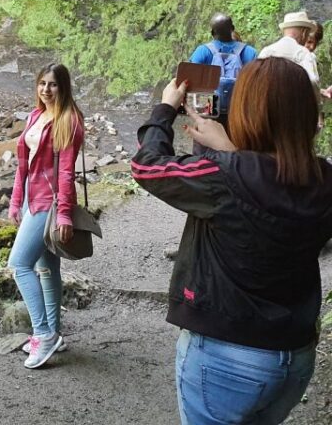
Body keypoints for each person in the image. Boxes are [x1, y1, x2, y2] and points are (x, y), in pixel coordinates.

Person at [131, 57, 332, 425]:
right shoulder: (324, 179)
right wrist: (231, 153)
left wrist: (164, 110)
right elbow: (274, 183)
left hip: (226, 358)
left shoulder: (225, 174)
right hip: (294, 357)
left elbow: (146, 166)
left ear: (248, 111)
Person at [8, 63, 84, 369]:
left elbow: (66, 172)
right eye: (42, 83)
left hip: (49, 203)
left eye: (52, 85)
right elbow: (22, 166)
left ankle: (42, 333)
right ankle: (54, 333)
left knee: (18, 264)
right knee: (47, 267)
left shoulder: (69, 121)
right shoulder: (36, 116)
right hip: (30, 198)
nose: (46, 90)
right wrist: (16, 202)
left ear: (63, 88)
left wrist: (64, 214)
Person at [188, 13, 257, 133]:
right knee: (235, 143)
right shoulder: (250, 52)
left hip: (208, 106)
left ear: (212, 32)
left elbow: (190, 79)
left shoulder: (203, 51)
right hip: (237, 107)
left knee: (205, 143)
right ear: (233, 28)